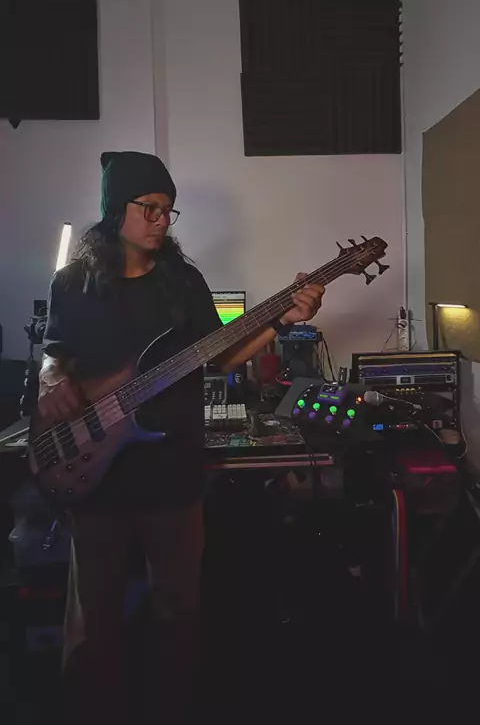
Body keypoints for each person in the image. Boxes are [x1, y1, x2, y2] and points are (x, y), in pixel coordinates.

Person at [38, 151, 324, 725]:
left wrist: (282, 320)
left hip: (172, 472)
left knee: (178, 612)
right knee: (96, 619)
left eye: (168, 210)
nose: (161, 220)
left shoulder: (183, 282)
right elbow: (54, 354)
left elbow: (221, 357)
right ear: (115, 209)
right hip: (96, 475)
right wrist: (52, 381)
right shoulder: (72, 282)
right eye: (149, 207)